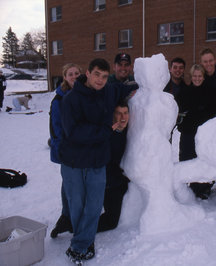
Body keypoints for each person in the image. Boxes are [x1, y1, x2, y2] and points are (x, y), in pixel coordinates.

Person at [59, 58, 133, 264]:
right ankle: (82, 242)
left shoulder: (109, 90)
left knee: (93, 206)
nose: (100, 80)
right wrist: (105, 130)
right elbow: (72, 132)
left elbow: (122, 88)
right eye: (97, 75)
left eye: (104, 76)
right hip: (74, 161)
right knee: (78, 205)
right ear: (88, 74)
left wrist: (141, 87)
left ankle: (81, 243)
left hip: (98, 160)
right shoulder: (72, 99)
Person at [50, 63, 82, 238]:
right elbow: (56, 128)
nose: (75, 76)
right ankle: (67, 217)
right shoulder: (59, 100)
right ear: (64, 77)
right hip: (68, 151)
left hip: (83, 149)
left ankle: (70, 215)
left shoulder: (84, 93)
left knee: (74, 185)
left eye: (77, 73)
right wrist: (62, 150)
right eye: (71, 74)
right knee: (70, 185)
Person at [176, 64, 216, 199]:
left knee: (203, 159)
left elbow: (211, 113)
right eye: (195, 76)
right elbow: (180, 111)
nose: (197, 79)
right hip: (188, 133)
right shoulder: (185, 92)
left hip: (204, 134)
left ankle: (203, 187)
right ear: (191, 77)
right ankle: (190, 186)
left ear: (203, 77)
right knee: (187, 158)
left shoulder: (210, 92)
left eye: (200, 76)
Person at [97, 101, 130, 232]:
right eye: (118, 113)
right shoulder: (107, 134)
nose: (122, 117)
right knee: (111, 221)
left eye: (125, 113)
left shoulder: (129, 131)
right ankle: (80, 228)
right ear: (113, 115)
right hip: (108, 181)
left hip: (119, 177)